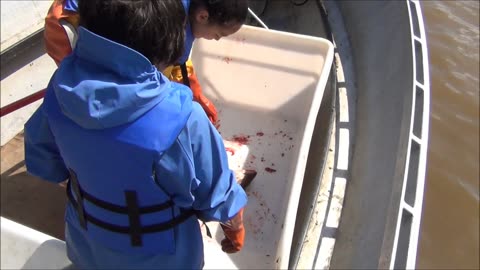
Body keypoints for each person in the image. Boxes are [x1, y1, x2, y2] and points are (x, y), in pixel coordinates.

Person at [25, 0, 247, 269]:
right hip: (162, 258)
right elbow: (216, 195)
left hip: (88, 246)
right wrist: (234, 226)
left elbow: (42, 161)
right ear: (166, 42)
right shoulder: (182, 116)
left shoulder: (61, 89)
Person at [43, 0, 249, 125]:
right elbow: (158, 68)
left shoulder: (188, 12)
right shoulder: (171, 20)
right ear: (203, 16)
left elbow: (174, 66)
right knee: (83, 96)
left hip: (108, 13)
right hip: (71, 19)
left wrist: (195, 94)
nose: (216, 40)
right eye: (218, 35)